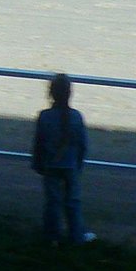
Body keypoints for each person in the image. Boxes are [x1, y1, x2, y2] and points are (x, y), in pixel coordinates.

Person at [31, 73, 94, 246]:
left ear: (50, 93)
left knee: (52, 201)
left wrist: (37, 163)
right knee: (73, 201)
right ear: (70, 93)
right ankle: (76, 236)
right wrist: (79, 164)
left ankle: (52, 236)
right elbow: (82, 145)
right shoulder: (76, 117)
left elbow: (39, 143)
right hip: (70, 165)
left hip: (50, 165)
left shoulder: (44, 116)